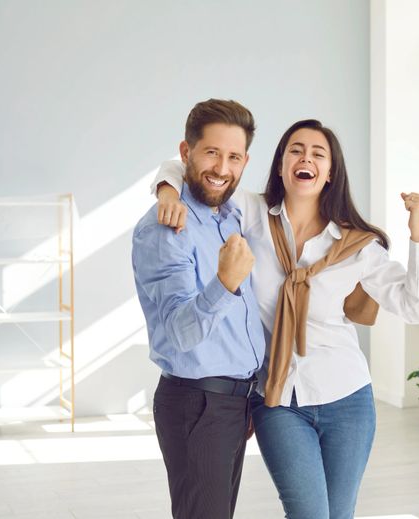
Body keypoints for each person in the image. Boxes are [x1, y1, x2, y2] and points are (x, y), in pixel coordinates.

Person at [153, 119, 419, 519]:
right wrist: (167, 190)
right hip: (277, 399)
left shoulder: (355, 245)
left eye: (318, 154)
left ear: (330, 172)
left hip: (348, 398)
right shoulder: (251, 214)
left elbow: (417, 307)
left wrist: (418, 234)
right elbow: (199, 171)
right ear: (281, 165)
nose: (306, 159)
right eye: (296, 150)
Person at [131, 99, 265, 519]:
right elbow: (179, 334)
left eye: (233, 157)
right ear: (186, 152)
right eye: (211, 152)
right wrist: (225, 283)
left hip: (233, 402)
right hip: (197, 403)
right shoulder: (167, 227)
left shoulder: (229, 215)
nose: (222, 168)